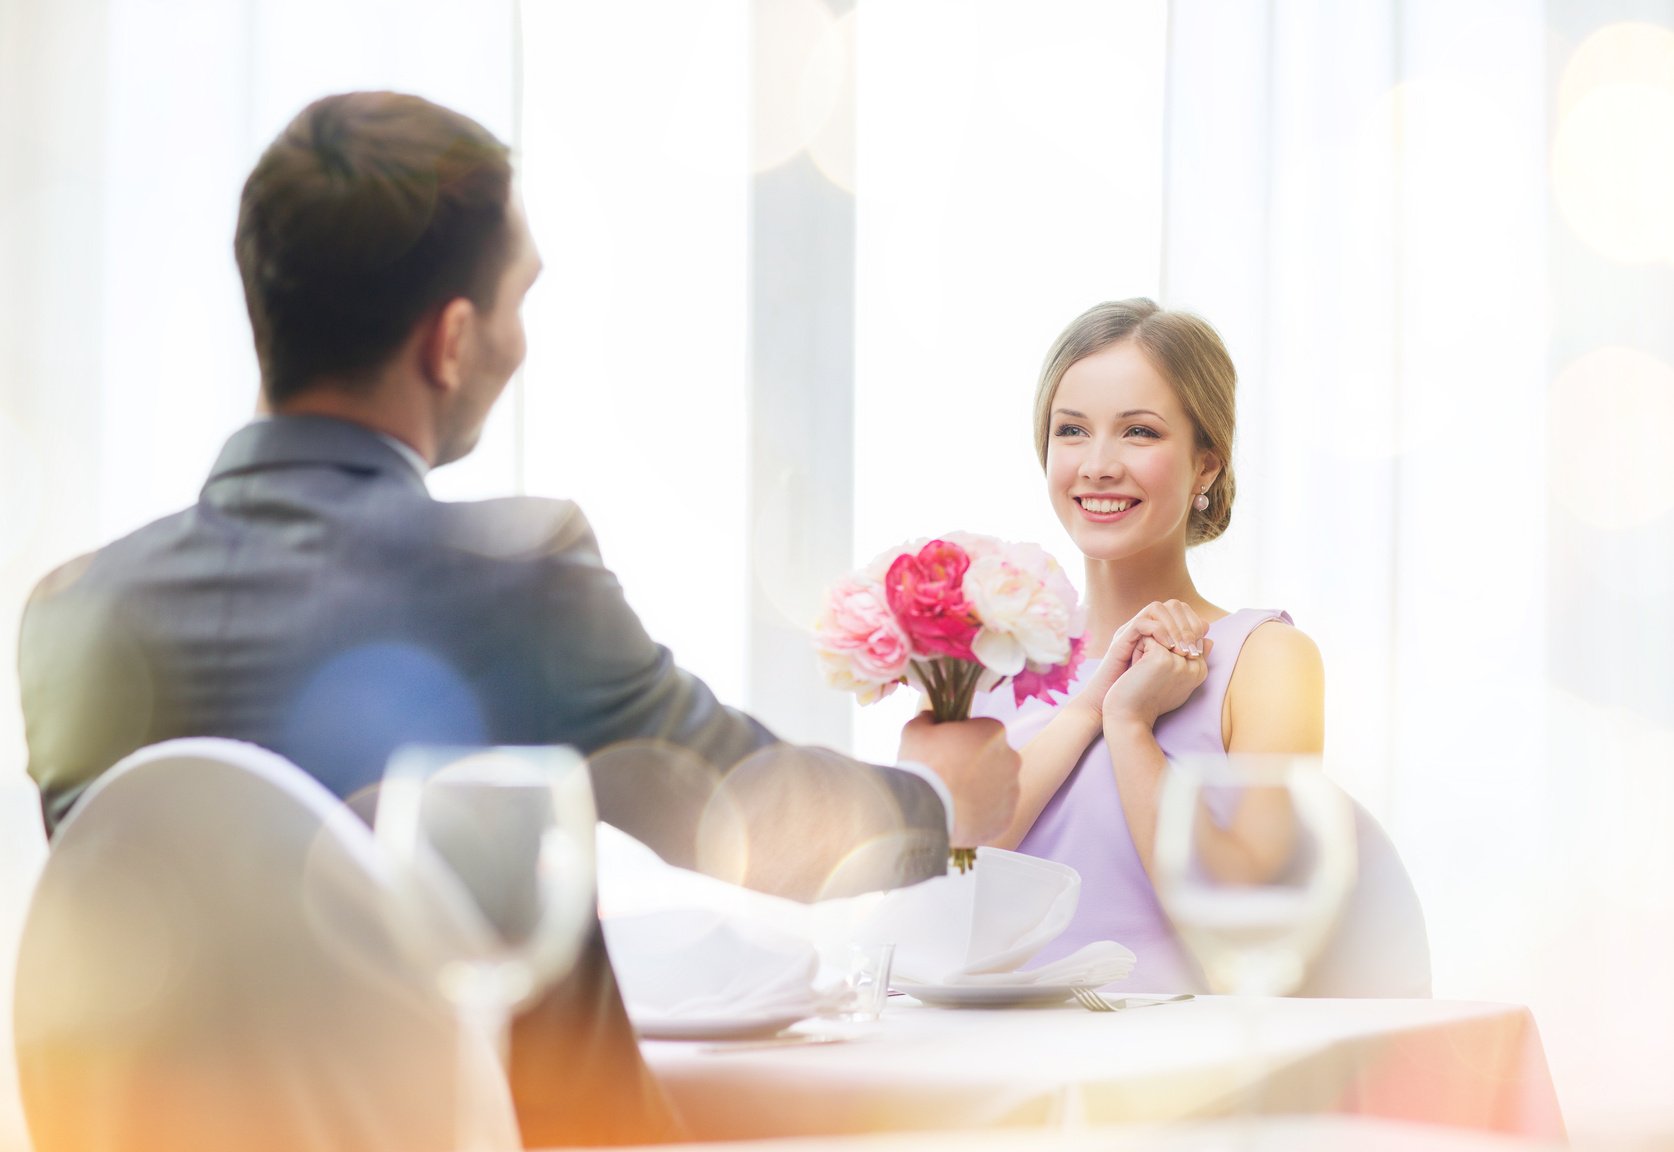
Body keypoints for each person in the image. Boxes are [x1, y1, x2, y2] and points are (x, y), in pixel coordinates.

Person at [16, 91, 1021, 1146]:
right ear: (451, 340)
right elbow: (748, 818)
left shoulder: (71, 615)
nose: (520, 342)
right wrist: (935, 803)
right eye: (517, 300)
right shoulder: (513, 578)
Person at [973, 298, 1427, 996]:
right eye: (1071, 430)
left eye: (1139, 433)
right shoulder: (993, 655)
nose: (1097, 465)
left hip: (1181, 1072)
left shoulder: (1266, 659)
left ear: (1206, 467)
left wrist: (1132, 728)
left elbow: (1245, 912)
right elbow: (950, 877)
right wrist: (1089, 710)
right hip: (977, 1054)